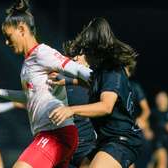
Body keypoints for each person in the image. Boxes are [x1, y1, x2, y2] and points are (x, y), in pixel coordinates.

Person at [0, 1, 92, 167]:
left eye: (8, 37)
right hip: (49, 134)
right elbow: (29, 97)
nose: (7, 43)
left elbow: (78, 70)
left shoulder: (42, 52)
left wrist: (105, 81)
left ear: (22, 29)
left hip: (56, 134)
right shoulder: (27, 63)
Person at [49, 17, 144, 168]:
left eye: (85, 50)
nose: (80, 56)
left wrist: (70, 110)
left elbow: (106, 106)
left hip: (122, 140)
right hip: (106, 141)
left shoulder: (111, 70)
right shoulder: (100, 72)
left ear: (95, 47)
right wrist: (66, 81)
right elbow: (92, 83)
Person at [48, 55, 96, 168]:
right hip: (62, 146)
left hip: (86, 146)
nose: (75, 58)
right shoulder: (58, 80)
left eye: (79, 55)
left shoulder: (97, 83)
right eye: (72, 56)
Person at [147, 91, 168, 168]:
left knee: (153, 163)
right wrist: (147, 131)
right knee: (163, 161)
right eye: (159, 98)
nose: (161, 100)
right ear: (156, 100)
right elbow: (145, 123)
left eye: (163, 97)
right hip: (157, 141)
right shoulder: (153, 112)